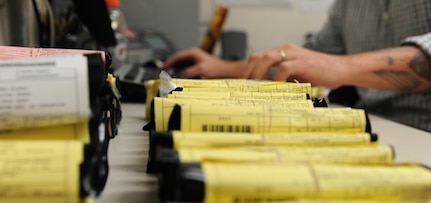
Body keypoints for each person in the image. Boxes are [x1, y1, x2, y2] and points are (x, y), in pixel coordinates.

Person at [161, 0, 431, 132]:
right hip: (371, 125)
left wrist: (338, 67)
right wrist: (220, 67)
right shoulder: (348, 5)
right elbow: (308, 60)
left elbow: (328, 64)